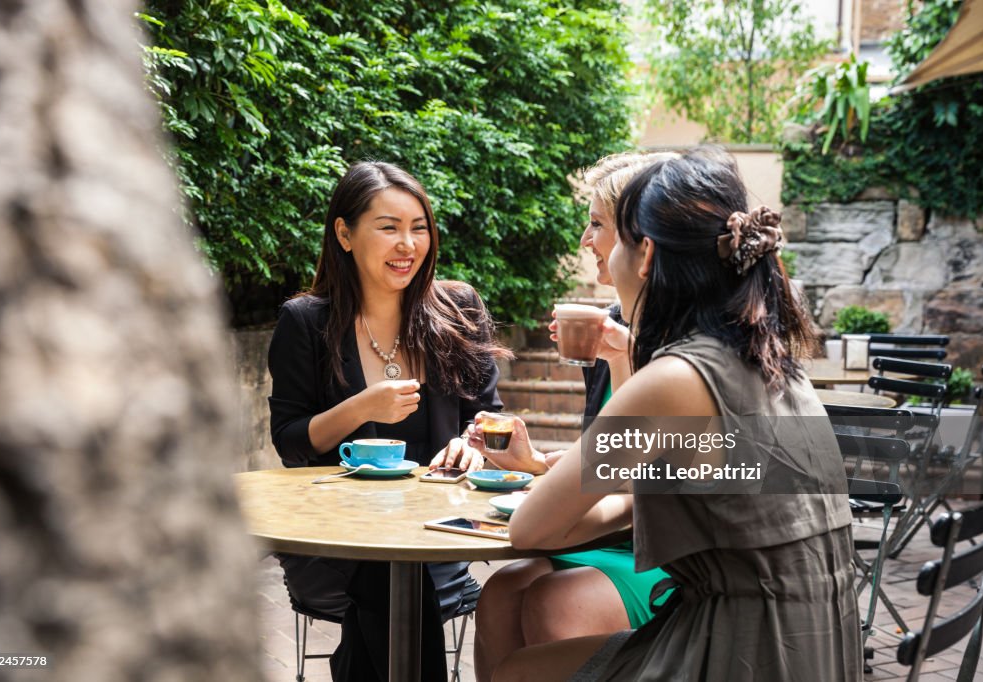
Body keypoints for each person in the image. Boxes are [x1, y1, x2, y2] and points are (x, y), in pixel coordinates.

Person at [493, 147, 862, 681]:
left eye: (607, 230)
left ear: (644, 253)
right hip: (813, 643)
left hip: (743, 649)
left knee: (516, 673)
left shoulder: (675, 379)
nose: (592, 244)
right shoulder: (763, 357)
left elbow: (529, 527)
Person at [267, 160, 507, 681]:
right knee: (387, 575)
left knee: (400, 575)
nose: (408, 244)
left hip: (438, 533)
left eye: (419, 228)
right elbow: (290, 441)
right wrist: (363, 407)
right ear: (345, 235)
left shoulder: (457, 310)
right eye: (389, 227)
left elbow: (491, 419)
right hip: (333, 543)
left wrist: (473, 443)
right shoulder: (306, 323)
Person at [468, 152, 679, 682]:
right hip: (616, 534)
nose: (586, 240)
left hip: (670, 555)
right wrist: (538, 464)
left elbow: (648, 481)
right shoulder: (615, 332)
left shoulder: (680, 348)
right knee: (499, 593)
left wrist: (552, 510)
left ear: (644, 242)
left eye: (597, 223)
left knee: (552, 600)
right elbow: (612, 466)